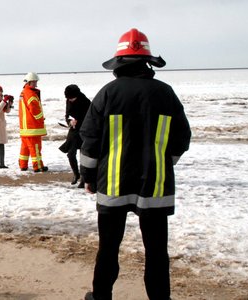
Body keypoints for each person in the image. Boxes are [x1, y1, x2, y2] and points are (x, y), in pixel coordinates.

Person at [80, 29, 191, 300]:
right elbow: (182, 138)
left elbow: (89, 140)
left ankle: (101, 296)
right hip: (155, 186)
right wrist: (165, 164)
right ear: (147, 63)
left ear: (119, 64)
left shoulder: (107, 93)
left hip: (112, 185)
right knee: (156, 252)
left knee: (108, 248)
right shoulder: (166, 93)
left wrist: (89, 176)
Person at [59, 84, 91, 187]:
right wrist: (70, 122)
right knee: (70, 154)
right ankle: (76, 174)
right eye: (69, 98)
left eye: (72, 98)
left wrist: (79, 121)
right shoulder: (68, 99)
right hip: (73, 130)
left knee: (83, 156)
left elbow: (91, 118)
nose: (70, 100)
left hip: (84, 130)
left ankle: (83, 179)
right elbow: (67, 115)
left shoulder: (85, 102)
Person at [18, 72, 48, 172]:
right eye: (34, 82)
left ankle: (23, 165)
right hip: (32, 128)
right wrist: (41, 118)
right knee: (36, 148)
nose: (36, 83)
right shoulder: (30, 93)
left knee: (25, 148)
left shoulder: (24, 92)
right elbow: (34, 110)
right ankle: (38, 166)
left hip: (25, 128)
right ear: (29, 82)